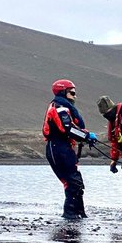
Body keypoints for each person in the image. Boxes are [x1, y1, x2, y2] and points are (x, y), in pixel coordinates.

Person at [43, 79, 96, 219]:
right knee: (72, 182)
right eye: (72, 93)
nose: (75, 96)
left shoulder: (63, 107)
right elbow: (68, 128)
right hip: (58, 148)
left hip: (64, 147)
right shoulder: (59, 108)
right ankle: (70, 215)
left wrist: (85, 136)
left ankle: (79, 214)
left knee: (76, 182)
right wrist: (86, 136)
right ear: (63, 92)